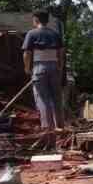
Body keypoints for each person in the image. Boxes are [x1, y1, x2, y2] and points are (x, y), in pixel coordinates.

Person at [23, 10, 65, 141]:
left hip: (39, 67)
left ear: (36, 20)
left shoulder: (32, 33)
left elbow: (27, 53)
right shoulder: (55, 34)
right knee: (57, 98)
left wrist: (27, 68)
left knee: (43, 99)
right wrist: (60, 66)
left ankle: (49, 132)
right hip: (54, 67)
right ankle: (61, 130)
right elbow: (61, 52)